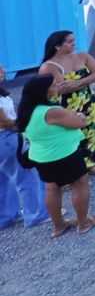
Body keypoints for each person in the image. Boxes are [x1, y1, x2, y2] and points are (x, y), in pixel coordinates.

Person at [14, 76, 95, 237]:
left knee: (52, 188)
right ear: (44, 91)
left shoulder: (27, 111)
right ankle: (83, 223)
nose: (58, 86)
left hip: (41, 157)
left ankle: (58, 226)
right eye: (53, 85)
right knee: (79, 184)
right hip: (65, 154)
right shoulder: (51, 111)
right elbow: (79, 123)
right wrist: (80, 117)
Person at [39, 30, 95, 175]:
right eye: (69, 42)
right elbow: (58, 89)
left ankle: (91, 162)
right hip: (65, 105)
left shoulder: (82, 56)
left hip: (88, 101)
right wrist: (83, 82)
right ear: (57, 46)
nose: (74, 44)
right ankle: (74, 167)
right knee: (70, 135)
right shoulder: (48, 67)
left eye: (73, 41)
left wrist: (78, 82)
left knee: (92, 130)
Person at [0, 65, 48, 229]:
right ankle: (36, 214)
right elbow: (4, 122)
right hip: (6, 138)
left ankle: (6, 216)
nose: (3, 71)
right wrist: (25, 125)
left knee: (3, 179)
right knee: (26, 177)